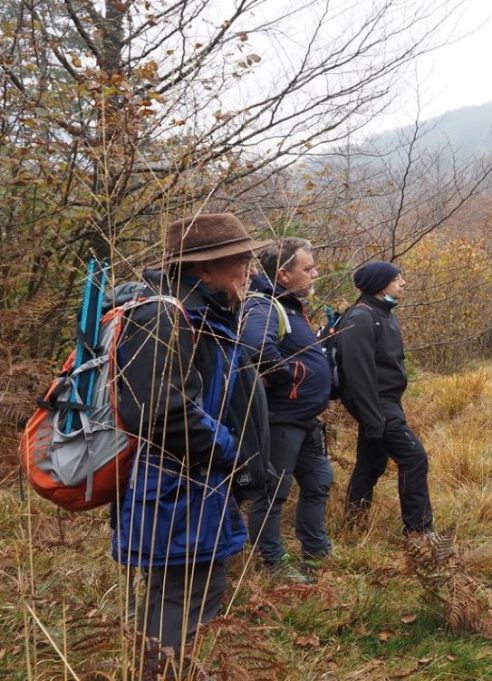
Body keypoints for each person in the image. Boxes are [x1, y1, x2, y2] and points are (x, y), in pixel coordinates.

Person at [114, 213, 271, 654]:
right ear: (203, 269)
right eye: (240, 261)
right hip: (173, 492)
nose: (251, 271)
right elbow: (161, 412)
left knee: (187, 597)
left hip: (190, 490)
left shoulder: (197, 314)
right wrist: (230, 450)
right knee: (182, 605)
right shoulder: (164, 316)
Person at [242, 237, 333, 583]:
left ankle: (316, 550)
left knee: (319, 481)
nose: (315, 273)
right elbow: (255, 348)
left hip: (305, 420)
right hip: (281, 419)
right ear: (283, 274)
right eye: (307, 268)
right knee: (273, 492)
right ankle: (272, 562)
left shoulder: (291, 306)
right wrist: (288, 379)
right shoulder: (265, 306)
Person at [334, 260, 435, 538]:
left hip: (386, 402)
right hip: (377, 405)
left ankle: (353, 524)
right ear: (380, 285)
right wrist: (372, 416)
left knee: (371, 463)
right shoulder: (361, 317)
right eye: (396, 279)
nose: (403, 283)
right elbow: (357, 374)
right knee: (414, 458)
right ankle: (419, 531)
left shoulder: (383, 312)